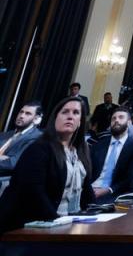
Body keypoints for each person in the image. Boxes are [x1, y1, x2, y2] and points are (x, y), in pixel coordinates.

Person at [0, 96, 93, 233]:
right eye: (65, 112)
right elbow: (33, 191)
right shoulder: (40, 148)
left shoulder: (82, 151)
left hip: (69, 223)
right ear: (55, 118)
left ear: (80, 122)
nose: (70, 116)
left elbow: (86, 190)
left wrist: (97, 211)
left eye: (75, 113)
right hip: (32, 225)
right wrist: (58, 221)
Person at [90, 107, 133, 200]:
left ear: (129, 122)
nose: (116, 120)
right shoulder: (99, 145)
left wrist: (108, 190)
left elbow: (131, 177)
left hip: (114, 193)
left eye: (121, 117)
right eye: (114, 118)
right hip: (90, 189)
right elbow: (88, 170)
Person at [0, 101, 43, 176]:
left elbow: (14, 163)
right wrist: (5, 157)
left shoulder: (37, 137)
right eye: (21, 112)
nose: (22, 116)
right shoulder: (5, 135)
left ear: (36, 119)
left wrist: (8, 158)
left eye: (28, 114)